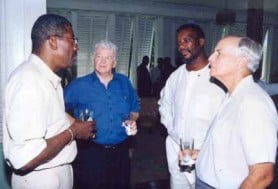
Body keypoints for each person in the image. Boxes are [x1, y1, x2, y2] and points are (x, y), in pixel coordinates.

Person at [2, 14, 94, 189]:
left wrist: (75, 123)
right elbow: (25, 157)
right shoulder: (29, 81)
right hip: (40, 178)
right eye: (72, 40)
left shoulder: (46, 78)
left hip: (54, 172)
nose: (76, 47)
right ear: (53, 41)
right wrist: (73, 131)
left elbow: (50, 112)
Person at [195, 36, 278, 189]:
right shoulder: (232, 95)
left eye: (218, 53)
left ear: (240, 62)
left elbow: (262, 175)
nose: (211, 58)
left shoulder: (254, 103)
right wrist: (201, 156)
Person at [64, 39, 139, 189]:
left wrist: (132, 120)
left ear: (114, 62)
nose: (103, 61)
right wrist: (76, 125)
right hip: (90, 152)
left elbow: (134, 110)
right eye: (99, 56)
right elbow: (57, 108)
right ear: (93, 59)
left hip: (120, 152)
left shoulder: (124, 82)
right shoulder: (79, 85)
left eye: (108, 57)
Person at [158, 23, 225, 189]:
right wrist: (172, 129)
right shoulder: (176, 76)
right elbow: (164, 104)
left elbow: (228, 117)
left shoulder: (219, 76)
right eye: (179, 42)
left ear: (201, 42)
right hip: (176, 151)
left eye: (187, 40)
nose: (181, 46)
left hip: (207, 155)